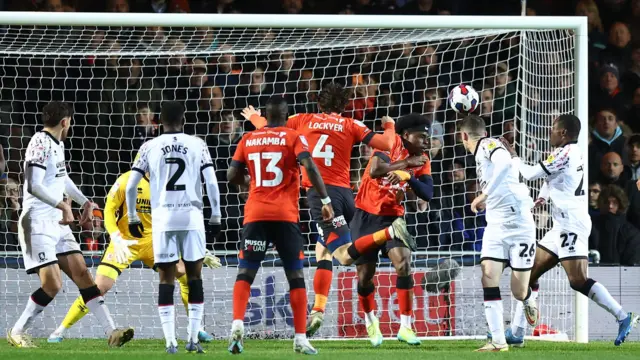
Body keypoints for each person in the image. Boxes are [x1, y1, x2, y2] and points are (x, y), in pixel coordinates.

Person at [243, 82, 417, 336]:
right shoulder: (351, 124)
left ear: (319, 103)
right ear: (344, 106)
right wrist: (389, 124)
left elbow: (271, 131)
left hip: (322, 197)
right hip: (347, 195)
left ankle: (388, 234)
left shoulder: (302, 120)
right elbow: (386, 144)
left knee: (344, 256)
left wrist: (255, 117)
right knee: (322, 249)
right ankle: (319, 310)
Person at [7, 101, 134, 348]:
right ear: (65, 122)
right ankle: (17, 330)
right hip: (38, 222)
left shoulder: (58, 145)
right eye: (70, 122)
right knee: (53, 284)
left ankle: (112, 331)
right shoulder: (39, 142)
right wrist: (63, 206)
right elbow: (33, 185)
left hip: (56, 223)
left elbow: (62, 179)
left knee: (84, 275)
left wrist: (85, 201)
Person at [504, 114, 638, 347]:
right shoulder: (566, 153)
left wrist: (513, 156)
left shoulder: (566, 153)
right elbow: (551, 178)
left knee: (577, 280)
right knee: (530, 273)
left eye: (553, 129)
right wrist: (543, 197)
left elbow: (530, 173)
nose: (550, 133)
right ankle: (516, 332)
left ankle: (623, 316)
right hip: (561, 225)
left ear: (563, 133)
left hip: (572, 224)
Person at [47, 170, 221, 343]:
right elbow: (109, 210)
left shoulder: (167, 184)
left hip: (152, 243)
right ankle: (60, 331)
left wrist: (193, 248)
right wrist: (115, 236)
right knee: (98, 288)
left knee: (185, 275)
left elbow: (174, 218)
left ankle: (196, 328)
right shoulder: (126, 180)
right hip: (124, 243)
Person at [227, 96, 332, 355]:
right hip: (285, 217)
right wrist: (326, 200)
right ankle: (299, 338)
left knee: (245, 272)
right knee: (295, 275)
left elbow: (231, 175)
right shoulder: (293, 137)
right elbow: (310, 166)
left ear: (266, 114)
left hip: (255, 214)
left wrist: (247, 182)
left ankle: (238, 323)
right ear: (286, 115)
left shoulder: (249, 139)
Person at [125, 101, 221, 354]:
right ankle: (193, 338)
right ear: (184, 119)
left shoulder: (149, 146)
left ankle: (170, 342)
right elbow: (211, 182)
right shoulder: (197, 144)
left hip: (163, 219)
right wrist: (216, 215)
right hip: (191, 217)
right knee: (195, 277)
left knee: (166, 279)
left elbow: (131, 185)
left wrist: (133, 217)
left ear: (158, 121)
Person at [352, 113, 434, 347]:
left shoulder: (423, 159)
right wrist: (406, 164)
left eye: (428, 138)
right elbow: (376, 170)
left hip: (393, 217)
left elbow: (427, 193)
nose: (426, 142)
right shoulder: (391, 143)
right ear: (406, 136)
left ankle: (406, 328)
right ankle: (371, 320)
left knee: (404, 264)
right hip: (366, 215)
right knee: (365, 276)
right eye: (422, 137)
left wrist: (408, 179)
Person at [459, 114, 537, 352]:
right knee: (488, 276)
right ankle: (498, 341)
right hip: (495, 226)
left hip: (519, 223)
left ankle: (529, 297)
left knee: (519, 291)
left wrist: (485, 194)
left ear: (463, 136)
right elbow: (509, 166)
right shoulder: (485, 155)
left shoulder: (487, 143)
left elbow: (503, 164)